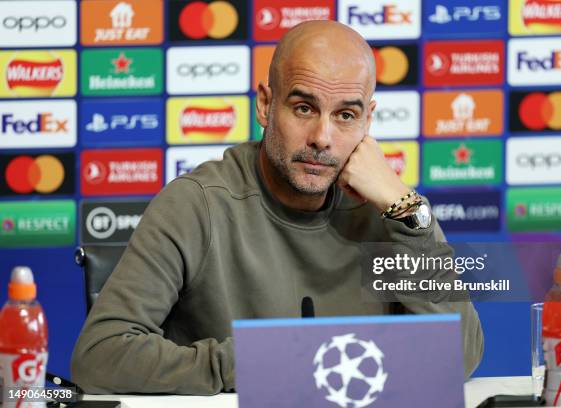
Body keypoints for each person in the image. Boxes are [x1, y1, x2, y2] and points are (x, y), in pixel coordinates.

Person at [71, 20, 483, 395]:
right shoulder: (197, 203)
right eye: (304, 108)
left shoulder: (389, 211)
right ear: (266, 105)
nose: (322, 137)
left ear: (367, 121)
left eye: (345, 115)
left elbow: (458, 356)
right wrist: (261, 361)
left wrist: (407, 211)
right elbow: (101, 356)